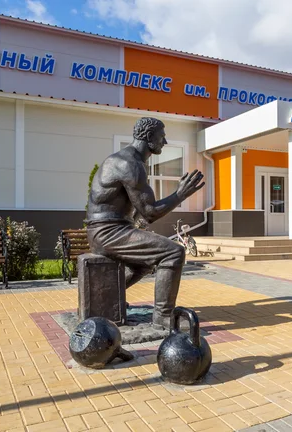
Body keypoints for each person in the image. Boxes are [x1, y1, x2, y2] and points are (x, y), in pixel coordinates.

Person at [85, 117, 205, 329]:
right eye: (162, 137)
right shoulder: (129, 164)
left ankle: (110, 300)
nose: (164, 142)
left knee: (144, 262)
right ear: (149, 137)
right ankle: (163, 317)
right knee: (174, 252)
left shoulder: (132, 162)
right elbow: (149, 213)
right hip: (107, 232)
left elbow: (142, 213)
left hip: (110, 229)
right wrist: (180, 194)